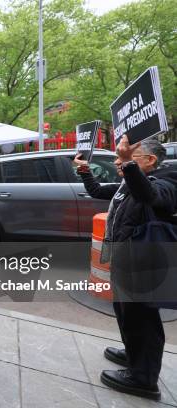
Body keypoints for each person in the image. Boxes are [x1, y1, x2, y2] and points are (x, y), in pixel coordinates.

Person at [74, 136, 177, 401]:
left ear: (150, 160)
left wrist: (129, 166)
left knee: (142, 317)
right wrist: (85, 171)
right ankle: (134, 354)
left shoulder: (167, 181)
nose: (119, 162)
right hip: (124, 258)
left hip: (144, 263)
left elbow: (152, 196)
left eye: (129, 157)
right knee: (126, 312)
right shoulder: (128, 183)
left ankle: (143, 379)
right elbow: (98, 191)